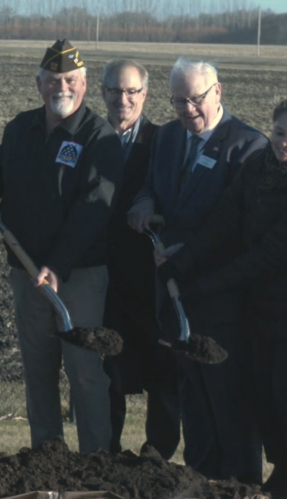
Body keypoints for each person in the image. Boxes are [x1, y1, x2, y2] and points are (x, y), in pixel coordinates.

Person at [0, 39, 122, 454]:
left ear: (85, 84)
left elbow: (94, 208)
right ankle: (47, 455)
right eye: (53, 80)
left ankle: (95, 459)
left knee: (84, 370)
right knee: (38, 370)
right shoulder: (20, 128)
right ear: (39, 84)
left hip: (79, 277)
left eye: (70, 80)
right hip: (25, 272)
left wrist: (58, 265)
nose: (62, 88)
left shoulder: (98, 136)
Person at [127, 57, 267, 483]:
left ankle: (241, 486)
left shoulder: (248, 147)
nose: (187, 109)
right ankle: (201, 482)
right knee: (194, 400)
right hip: (173, 293)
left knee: (229, 402)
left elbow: (243, 228)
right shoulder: (167, 137)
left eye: (196, 99)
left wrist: (189, 254)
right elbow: (153, 184)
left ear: (218, 91)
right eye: (177, 101)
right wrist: (145, 202)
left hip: (220, 298)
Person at [157, 97, 287, 498]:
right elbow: (223, 223)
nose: (284, 144)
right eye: (279, 133)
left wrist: (202, 285)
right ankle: (285, 475)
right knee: (263, 399)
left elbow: (268, 255)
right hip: (260, 311)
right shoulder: (258, 168)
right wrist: (181, 262)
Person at [99, 59, 180, 459]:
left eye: (132, 91)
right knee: (108, 365)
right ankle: (108, 448)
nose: (123, 99)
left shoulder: (163, 140)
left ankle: (159, 452)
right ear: (103, 94)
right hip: (101, 273)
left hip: (150, 274)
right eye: (115, 90)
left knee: (162, 366)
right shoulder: (89, 139)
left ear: (145, 95)